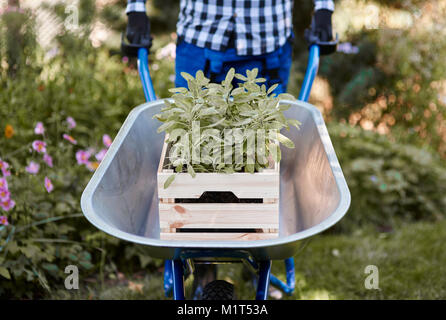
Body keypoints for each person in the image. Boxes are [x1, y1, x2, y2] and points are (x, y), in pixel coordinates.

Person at [125, 0, 335, 299]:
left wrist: (324, 8)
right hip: (202, 37)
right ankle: (203, 269)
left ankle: (256, 263)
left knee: (259, 157)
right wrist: (135, 9)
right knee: (191, 159)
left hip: (266, 39)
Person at [125, 0, 334, 94]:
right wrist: (136, 9)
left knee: (263, 146)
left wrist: (324, 7)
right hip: (199, 44)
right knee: (191, 142)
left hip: (268, 46)